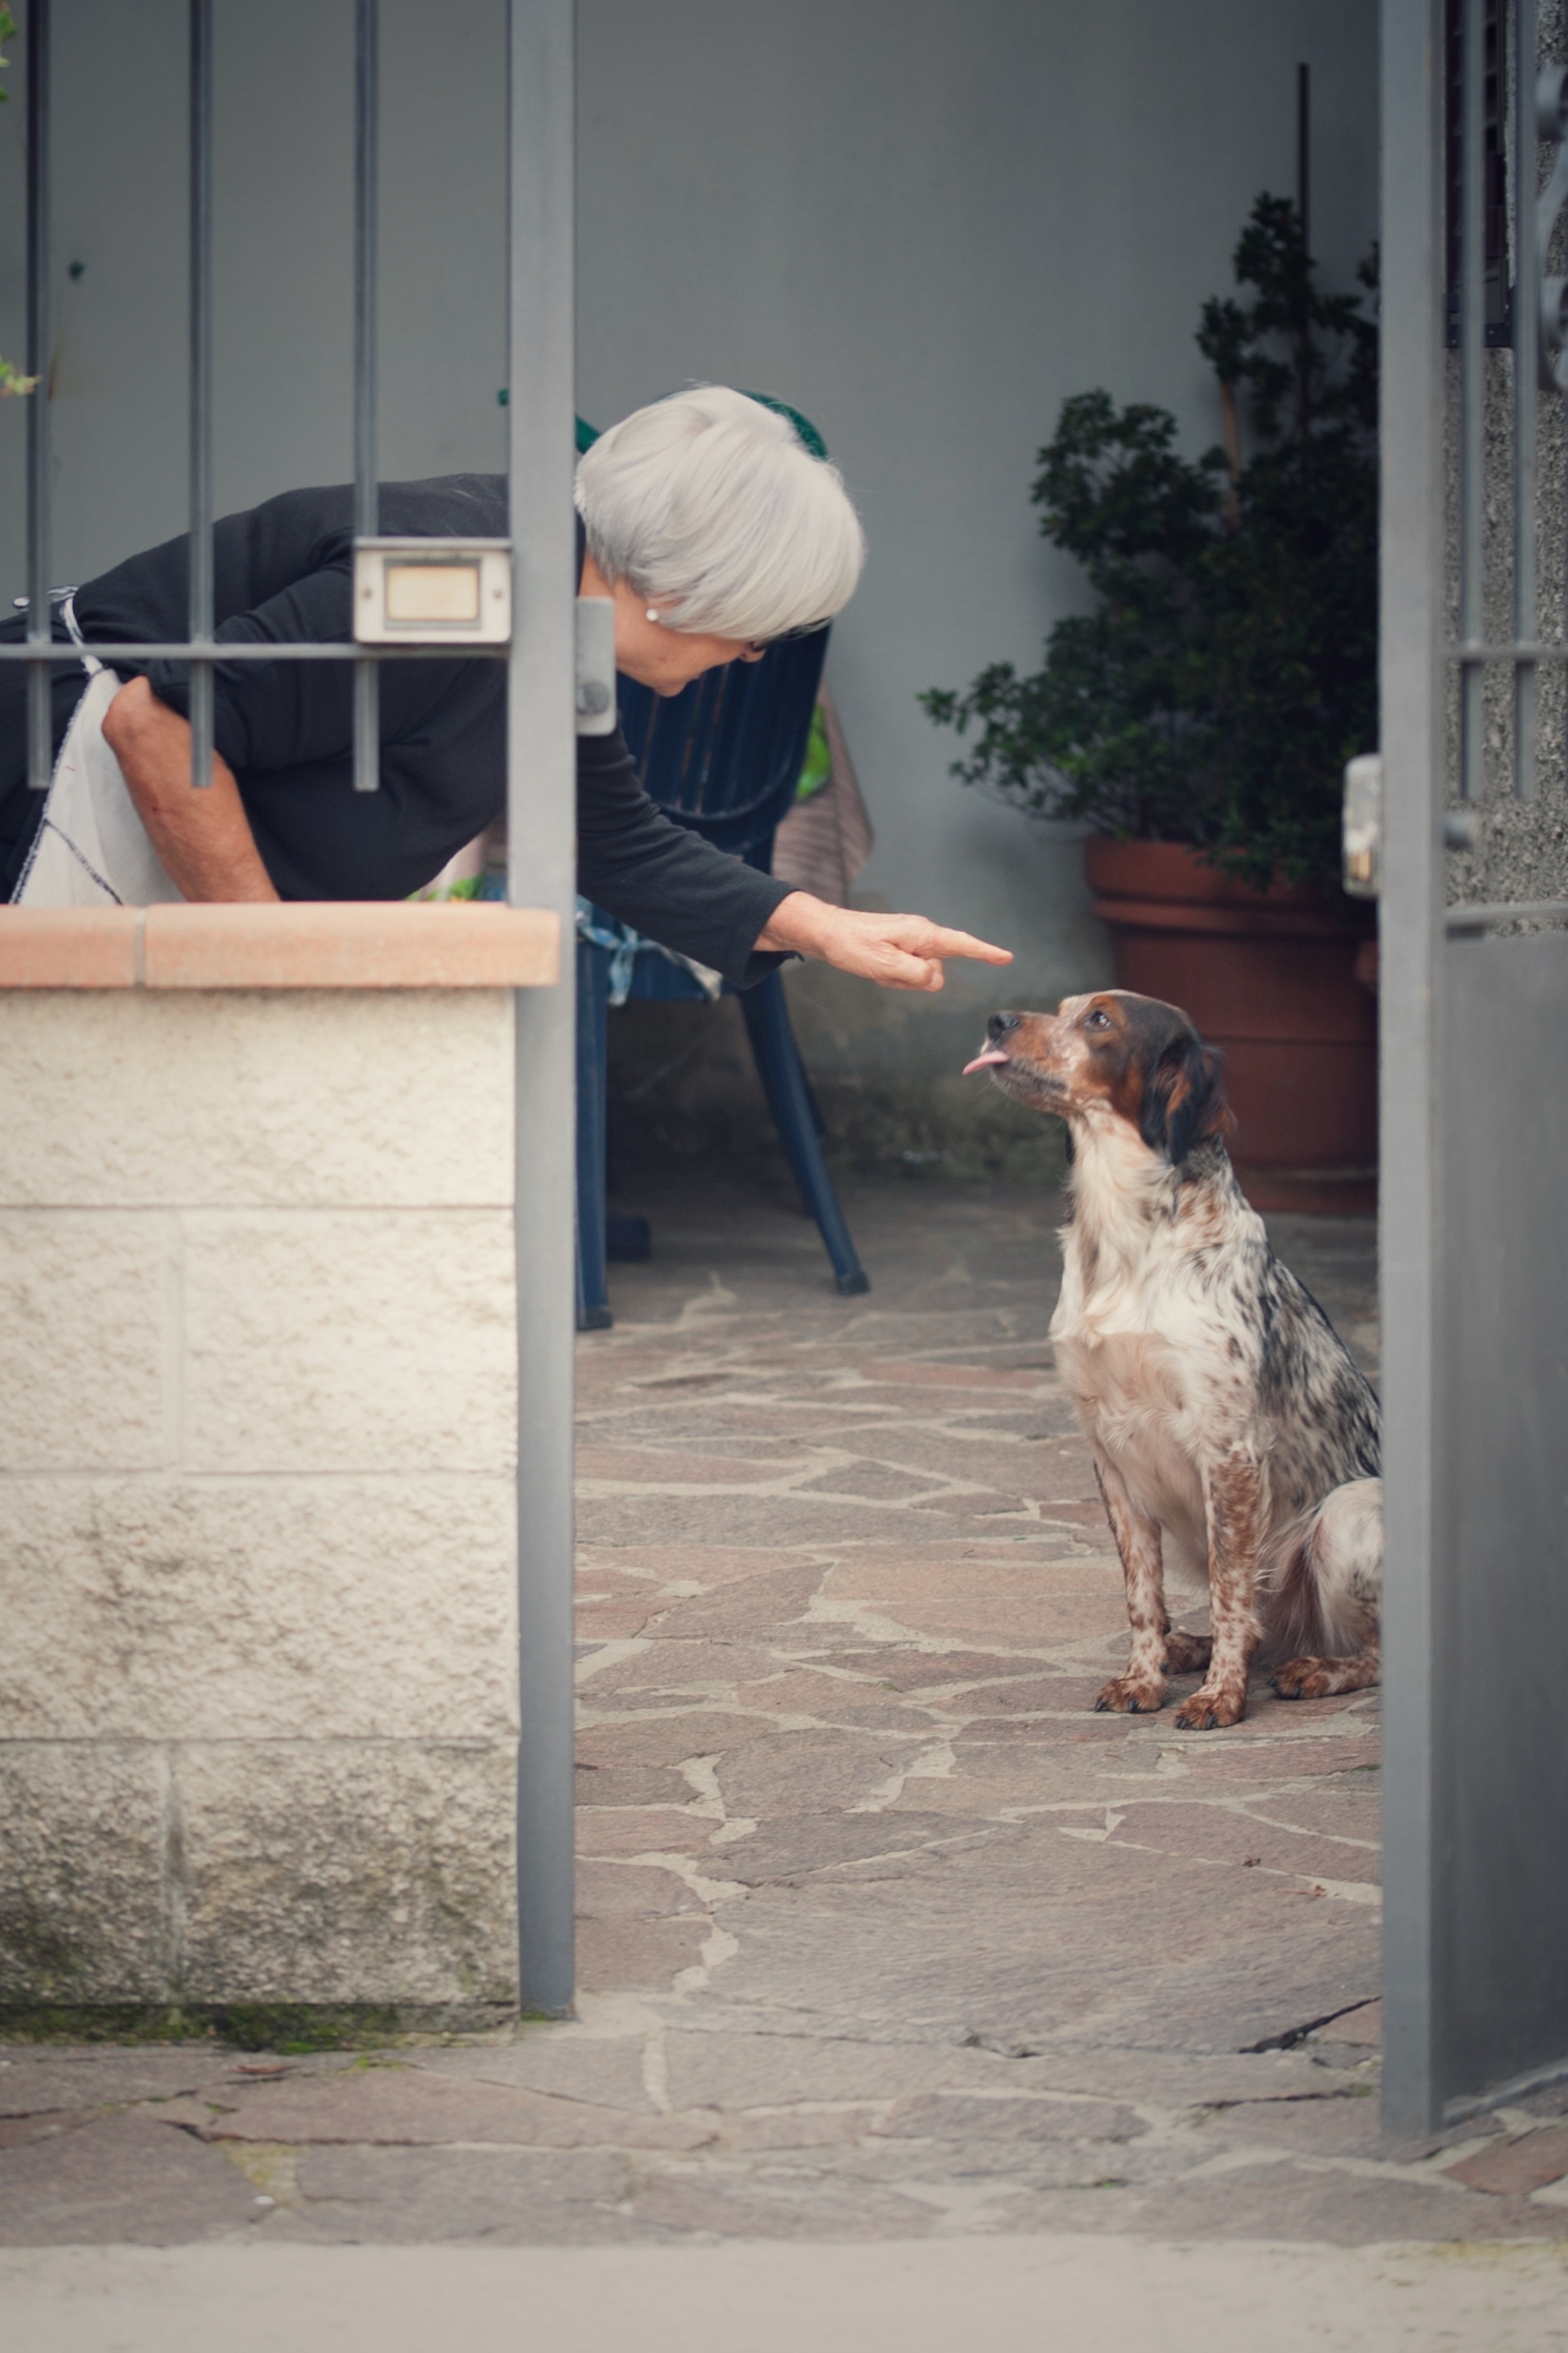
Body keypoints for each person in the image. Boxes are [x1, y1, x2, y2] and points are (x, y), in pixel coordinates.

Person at [0, 386, 1009, 997]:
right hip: (34, 787)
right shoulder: (461, 588)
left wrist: (826, 926)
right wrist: (275, 969)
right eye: (755, 631)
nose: (748, 658)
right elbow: (161, 719)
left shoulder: (557, 615)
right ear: (676, 592)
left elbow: (614, 840)